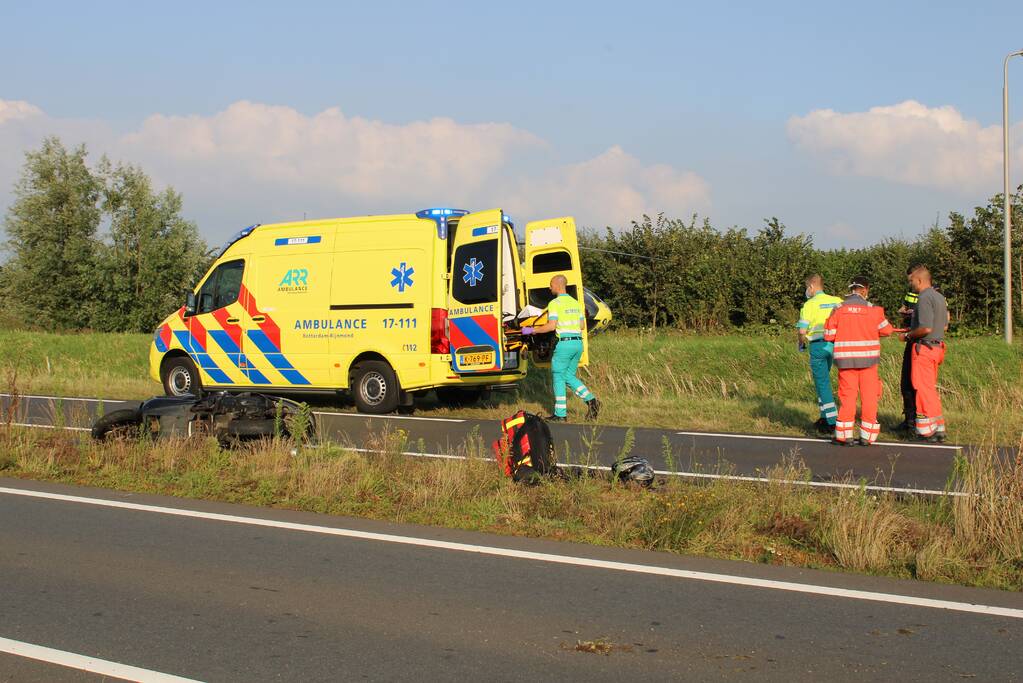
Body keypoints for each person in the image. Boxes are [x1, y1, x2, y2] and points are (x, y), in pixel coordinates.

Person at [823, 275, 895, 446]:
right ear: (865, 290)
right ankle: (867, 437)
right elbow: (887, 331)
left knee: (847, 397)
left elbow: (829, 335)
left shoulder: (838, 309)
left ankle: (844, 436)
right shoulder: (874, 310)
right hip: (869, 362)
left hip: (846, 362)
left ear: (852, 289)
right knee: (869, 396)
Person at [520, 275, 601, 422]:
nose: (550, 288)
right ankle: (592, 401)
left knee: (558, 376)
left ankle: (560, 414)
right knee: (568, 376)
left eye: (551, 285)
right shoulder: (576, 303)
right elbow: (582, 326)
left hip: (564, 343)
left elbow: (551, 326)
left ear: (557, 285)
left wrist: (532, 330)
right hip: (578, 344)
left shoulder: (554, 303)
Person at [901, 265, 948, 442]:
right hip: (937, 347)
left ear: (919, 280)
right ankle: (939, 426)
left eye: (911, 280)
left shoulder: (924, 298)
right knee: (930, 389)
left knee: (921, 389)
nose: (910, 284)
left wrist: (907, 335)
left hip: (924, 348)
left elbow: (925, 327)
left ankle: (926, 430)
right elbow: (943, 325)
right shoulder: (939, 297)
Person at [796, 274, 843, 434]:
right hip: (836, 345)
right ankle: (824, 416)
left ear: (811, 287)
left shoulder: (809, 304)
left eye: (806, 287)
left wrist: (801, 343)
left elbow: (802, 330)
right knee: (824, 381)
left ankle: (831, 421)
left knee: (822, 383)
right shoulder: (837, 301)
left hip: (818, 346)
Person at [894, 266, 920, 433]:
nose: (909, 283)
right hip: (911, 337)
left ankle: (919, 421)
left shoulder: (934, 293)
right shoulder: (911, 293)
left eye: (911, 280)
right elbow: (904, 307)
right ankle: (909, 419)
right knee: (906, 382)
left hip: (920, 341)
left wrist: (915, 313)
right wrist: (905, 312)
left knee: (918, 383)